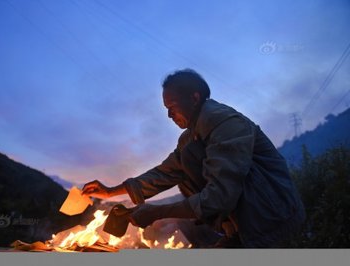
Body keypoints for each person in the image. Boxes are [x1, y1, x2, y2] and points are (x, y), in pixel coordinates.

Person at [81, 69, 305, 248]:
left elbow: (220, 197)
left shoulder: (227, 124)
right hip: (245, 228)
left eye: (172, 107)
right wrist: (109, 192)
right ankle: (233, 232)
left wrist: (156, 212)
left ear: (195, 98)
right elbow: (164, 173)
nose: (169, 115)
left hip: (273, 224)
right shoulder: (190, 139)